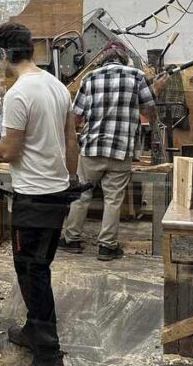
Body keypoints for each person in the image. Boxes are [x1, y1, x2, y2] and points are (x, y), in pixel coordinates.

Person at [0, 22, 78, 366]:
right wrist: (70, 179)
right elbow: (71, 139)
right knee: (39, 267)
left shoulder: (18, 93)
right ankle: (35, 329)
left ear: (4, 54)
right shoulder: (57, 86)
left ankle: (50, 363)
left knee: (32, 275)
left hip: (33, 198)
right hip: (56, 193)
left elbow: (9, 152)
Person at [61, 41, 164, 260]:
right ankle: (107, 247)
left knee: (82, 195)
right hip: (120, 149)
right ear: (124, 58)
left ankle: (71, 240)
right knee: (113, 199)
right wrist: (156, 90)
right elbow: (149, 113)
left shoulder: (89, 78)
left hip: (92, 147)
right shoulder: (137, 76)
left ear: (103, 58)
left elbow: (75, 117)